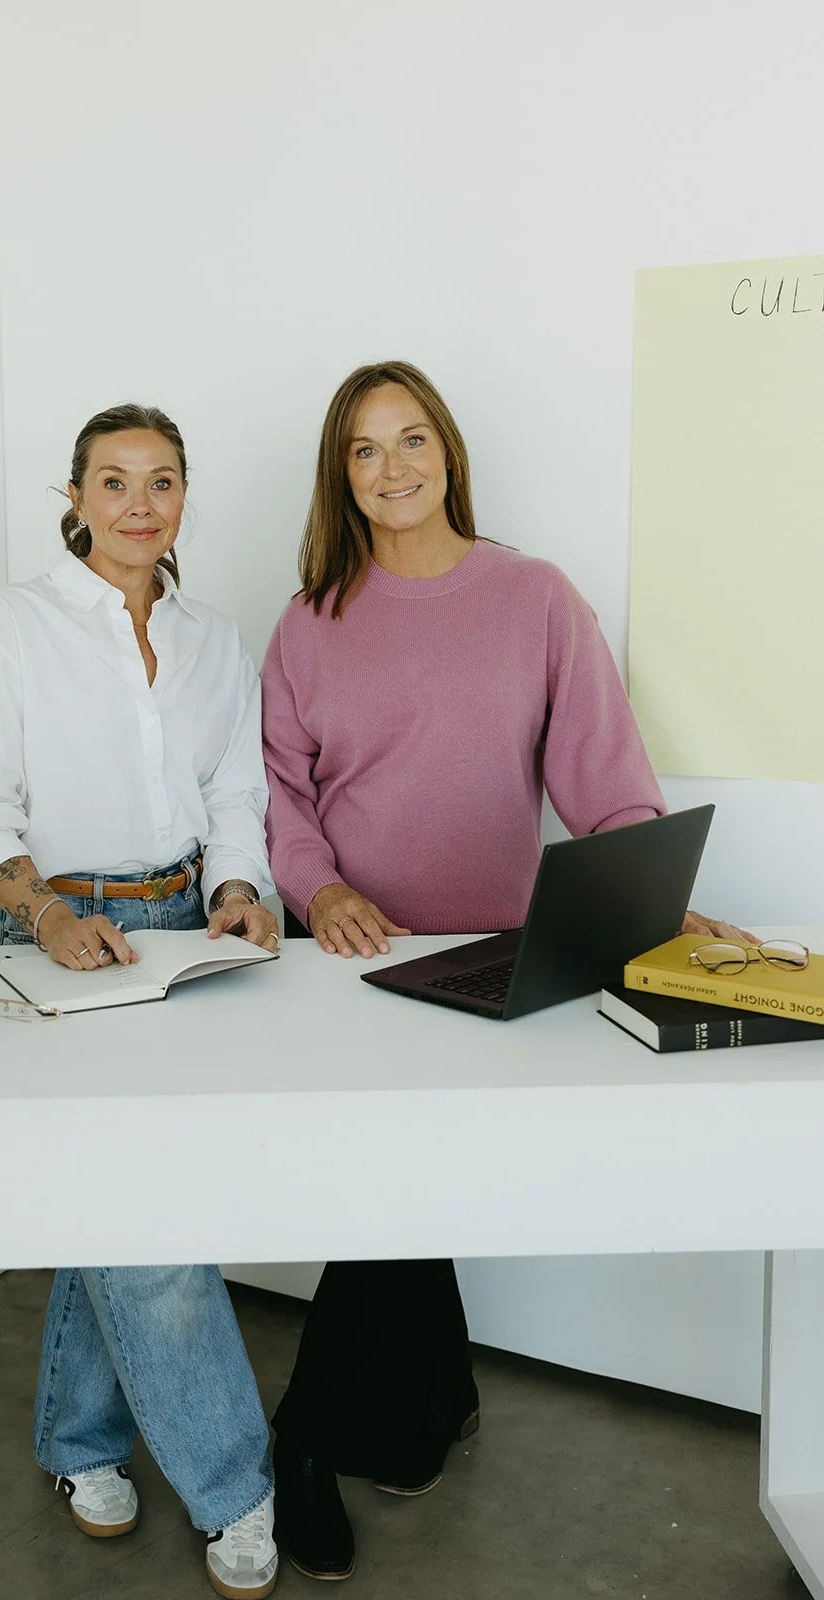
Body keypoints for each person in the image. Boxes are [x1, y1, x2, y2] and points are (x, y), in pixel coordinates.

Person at [260, 359, 748, 1582]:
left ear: (448, 451)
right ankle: (350, 1428)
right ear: (342, 475)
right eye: (364, 451)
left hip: (489, 958)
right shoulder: (308, 618)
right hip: (351, 963)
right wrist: (318, 889)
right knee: (386, 1199)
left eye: (411, 439)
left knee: (406, 1195)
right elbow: (276, 793)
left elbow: (604, 782)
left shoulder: (531, 597)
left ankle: (343, 1425)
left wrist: (669, 907)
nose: (392, 468)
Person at [0, 403, 281, 1600]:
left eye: (164, 480)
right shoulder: (5, 631)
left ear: (184, 497)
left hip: (183, 926)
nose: (140, 503)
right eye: (114, 480)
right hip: (59, 932)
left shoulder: (210, 639)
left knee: (122, 1196)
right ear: (72, 498)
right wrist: (42, 917)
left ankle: (79, 1446)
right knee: (154, 1224)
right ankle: (235, 1484)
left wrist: (239, 886)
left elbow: (235, 787)